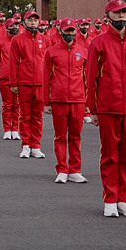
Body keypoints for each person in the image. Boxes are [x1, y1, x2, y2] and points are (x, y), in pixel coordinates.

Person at [86, 0, 126, 218]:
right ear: (107, 17)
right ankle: (110, 199)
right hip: (108, 107)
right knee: (109, 155)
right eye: (117, 13)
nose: (122, 17)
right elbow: (91, 78)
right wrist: (93, 109)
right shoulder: (99, 43)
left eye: (124, 13)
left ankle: (125, 199)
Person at [43, 19, 87, 184]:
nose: (69, 34)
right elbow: (45, 76)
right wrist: (46, 102)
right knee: (60, 136)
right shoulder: (51, 51)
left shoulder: (83, 51)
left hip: (78, 99)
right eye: (66, 31)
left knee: (75, 137)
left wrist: (89, 102)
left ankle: (75, 169)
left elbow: (88, 78)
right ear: (60, 32)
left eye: (71, 31)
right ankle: (62, 169)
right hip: (59, 99)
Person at [8, 10, 47, 158]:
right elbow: (13, 63)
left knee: (38, 116)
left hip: (40, 84)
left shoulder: (44, 39)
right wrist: (13, 83)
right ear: (24, 22)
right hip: (24, 83)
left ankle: (36, 145)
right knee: (25, 116)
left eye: (35, 20)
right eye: (30, 20)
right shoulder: (17, 40)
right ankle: (25, 145)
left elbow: (49, 64)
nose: (33, 22)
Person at [0, 19, 21, 140]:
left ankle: (15, 128)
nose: (15, 28)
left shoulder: (20, 41)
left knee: (17, 104)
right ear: (7, 28)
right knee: (7, 104)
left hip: (19, 77)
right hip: (5, 76)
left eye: (16, 25)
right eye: (12, 26)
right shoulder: (1, 42)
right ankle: (7, 129)